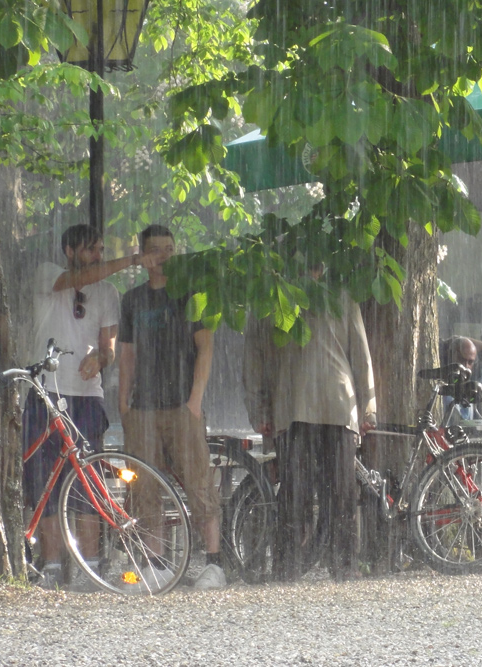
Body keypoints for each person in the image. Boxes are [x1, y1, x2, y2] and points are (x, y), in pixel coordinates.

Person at [23, 223, 153, 589]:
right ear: (69, 250)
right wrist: (131, 259)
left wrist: (100, 360)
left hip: (87, 396)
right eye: (91, 249)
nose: (98, 255)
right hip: (45, 392)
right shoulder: (48, 273)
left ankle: (91, 566)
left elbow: (108, 347)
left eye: (100, 249)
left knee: (87, 479)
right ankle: (51, 566)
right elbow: (80, 277)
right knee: (45, 481)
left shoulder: (109, 292)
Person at [243, 264, 376, 583]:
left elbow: (360, 354)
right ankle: (290, 567)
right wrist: (259, 408)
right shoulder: (272, 301)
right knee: (295, 494)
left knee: (339, 493)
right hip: (294, 407)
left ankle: (340, 565)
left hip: (333, 407)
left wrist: (368, 408)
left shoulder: (340, 298)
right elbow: (254, 359)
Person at [118, 225, 224, 590]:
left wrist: (195, 401)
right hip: (143, 407)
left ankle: (214, 563)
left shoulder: (192, 293)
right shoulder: (132, 300)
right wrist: (123, 402)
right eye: (157, 250)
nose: (165, 255)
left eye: (170, 248)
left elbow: (206, 347)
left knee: (198, 481)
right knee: (145, 486)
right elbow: (127, 354)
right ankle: (156, 563)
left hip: (182, 405)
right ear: (144, 256)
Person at [439, 336, 482, 423]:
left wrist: (464, 340)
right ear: (451, 358)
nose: (465, 366)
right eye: (461, 360)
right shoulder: (440, 386)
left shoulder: (473, 382)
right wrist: (454, 341)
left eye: (470, 362)